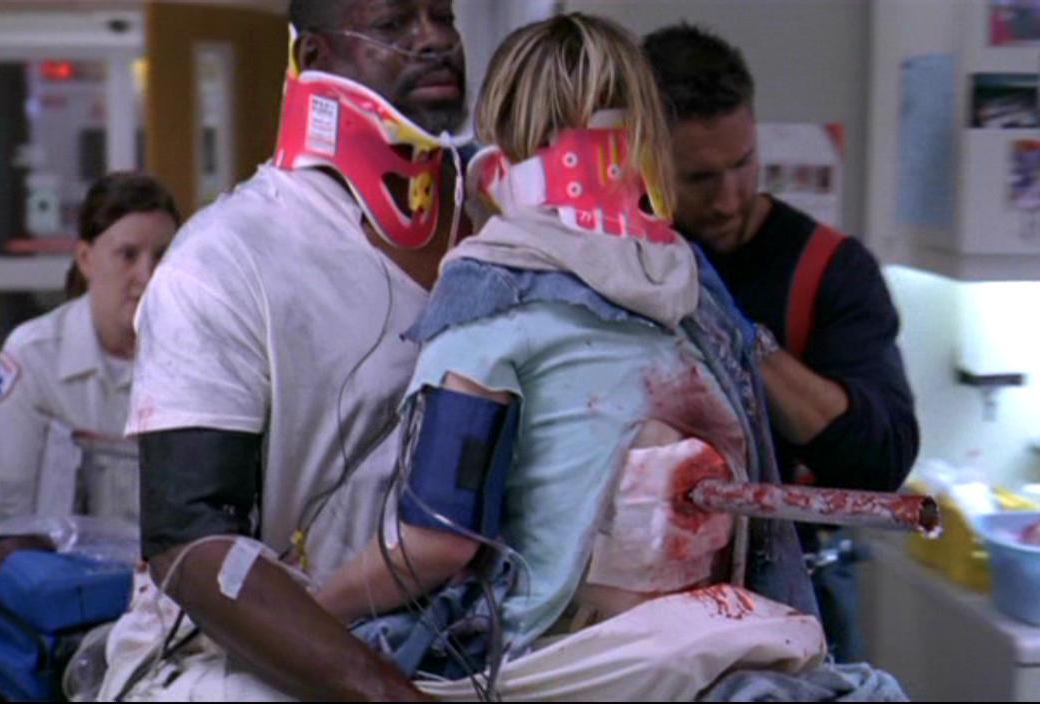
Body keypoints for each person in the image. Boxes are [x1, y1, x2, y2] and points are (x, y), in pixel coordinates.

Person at [312, 13, 825, 700]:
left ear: (501, 149)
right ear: (647, 140)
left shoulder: (490, 297)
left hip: (562, 666)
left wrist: (305, 611)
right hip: (727, 657)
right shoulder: (694, 290)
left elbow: (438, 541)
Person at [96, 0, 471, 700]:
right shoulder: (223, 258)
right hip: (241, 653)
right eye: (393, 24)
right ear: (315, 58)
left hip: (457, 630)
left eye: (443, 16)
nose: (435, 40)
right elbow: (189, 540)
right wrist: (386, 693)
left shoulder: (496, 225)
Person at [644, 23, 920, 662]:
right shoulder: (609, 263)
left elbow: (882, 459)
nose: (728, 199)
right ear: (645, 161)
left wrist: (743, 339)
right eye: (699, 178)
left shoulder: (833, 269)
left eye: (742, 164)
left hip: (799, 594)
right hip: (645, 598)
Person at [0, 171, 179, 531]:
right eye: (127, 255)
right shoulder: (33, 358)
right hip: (59, 561)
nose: (147, 276)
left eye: (161, 256)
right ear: (85, 258)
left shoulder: (195, 356)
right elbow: (5, 512)